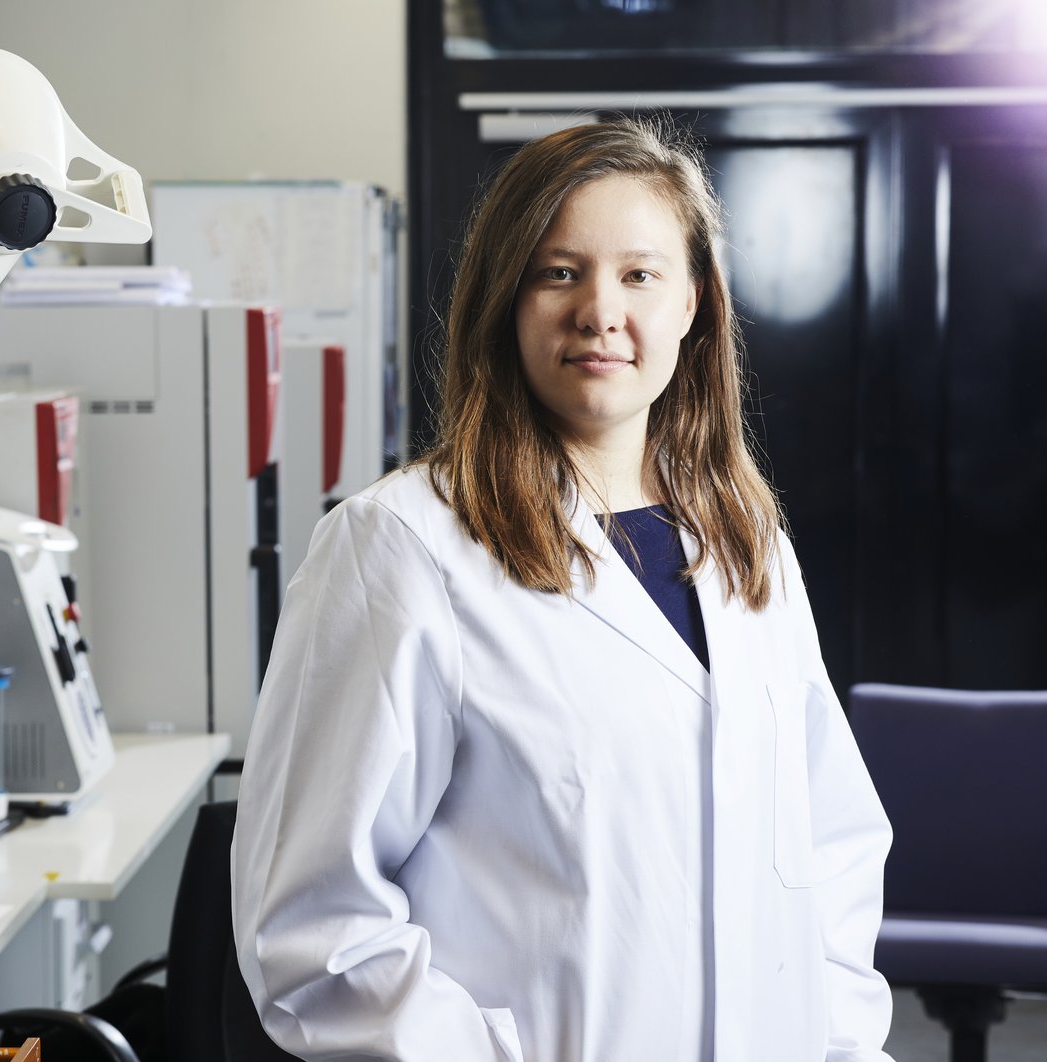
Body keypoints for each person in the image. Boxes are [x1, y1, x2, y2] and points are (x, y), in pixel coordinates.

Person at [230, 118, 895, 1062]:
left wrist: (838, 1043)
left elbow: (831, 849)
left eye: (639, 274)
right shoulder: (401, 549)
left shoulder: (750, 545)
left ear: (696, 303)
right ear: (505, 297)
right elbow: (314, 929)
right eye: (557, 272)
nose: (599, 311)